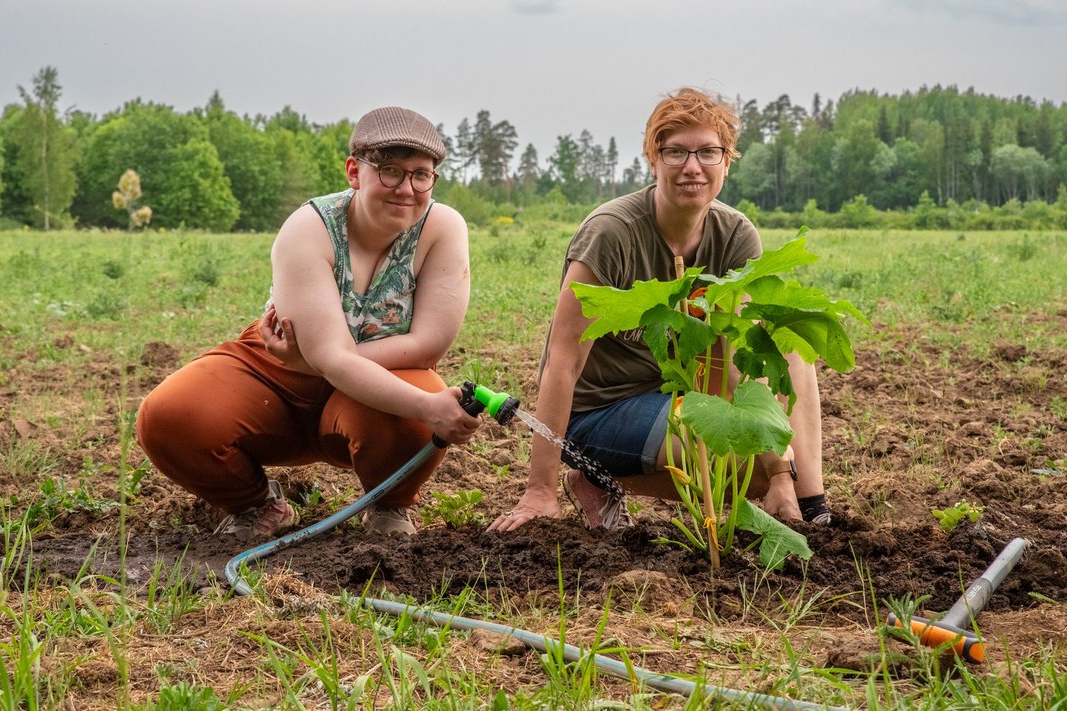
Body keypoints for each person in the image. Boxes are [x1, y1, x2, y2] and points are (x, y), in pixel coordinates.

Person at [487, 88, 831, 534]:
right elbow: (562, 362)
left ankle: (811, 510)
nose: (692, 167)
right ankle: (592, 474)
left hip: (678, 396)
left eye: (708, 151)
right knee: (740, 459)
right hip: (598, 413)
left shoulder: (735, 235)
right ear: (653, 159)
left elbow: (739, 364)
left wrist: (782, 475)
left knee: (788, 358)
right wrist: (539, 491)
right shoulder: (610, 234)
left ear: (727, 161)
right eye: (675, 152)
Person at [137, 106, 480, 538]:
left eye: (421, 174)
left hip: (378, 375)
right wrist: (323, 362)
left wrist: (324, 359)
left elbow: (429, 343)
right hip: (277, 374)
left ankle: (389, 506)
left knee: (417, 394)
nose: (406, 188)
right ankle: (254, 504)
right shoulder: (310, 227)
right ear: (355, 172)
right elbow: (326, 357)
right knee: (172, 415)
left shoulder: (442, 227)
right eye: (389, 171)